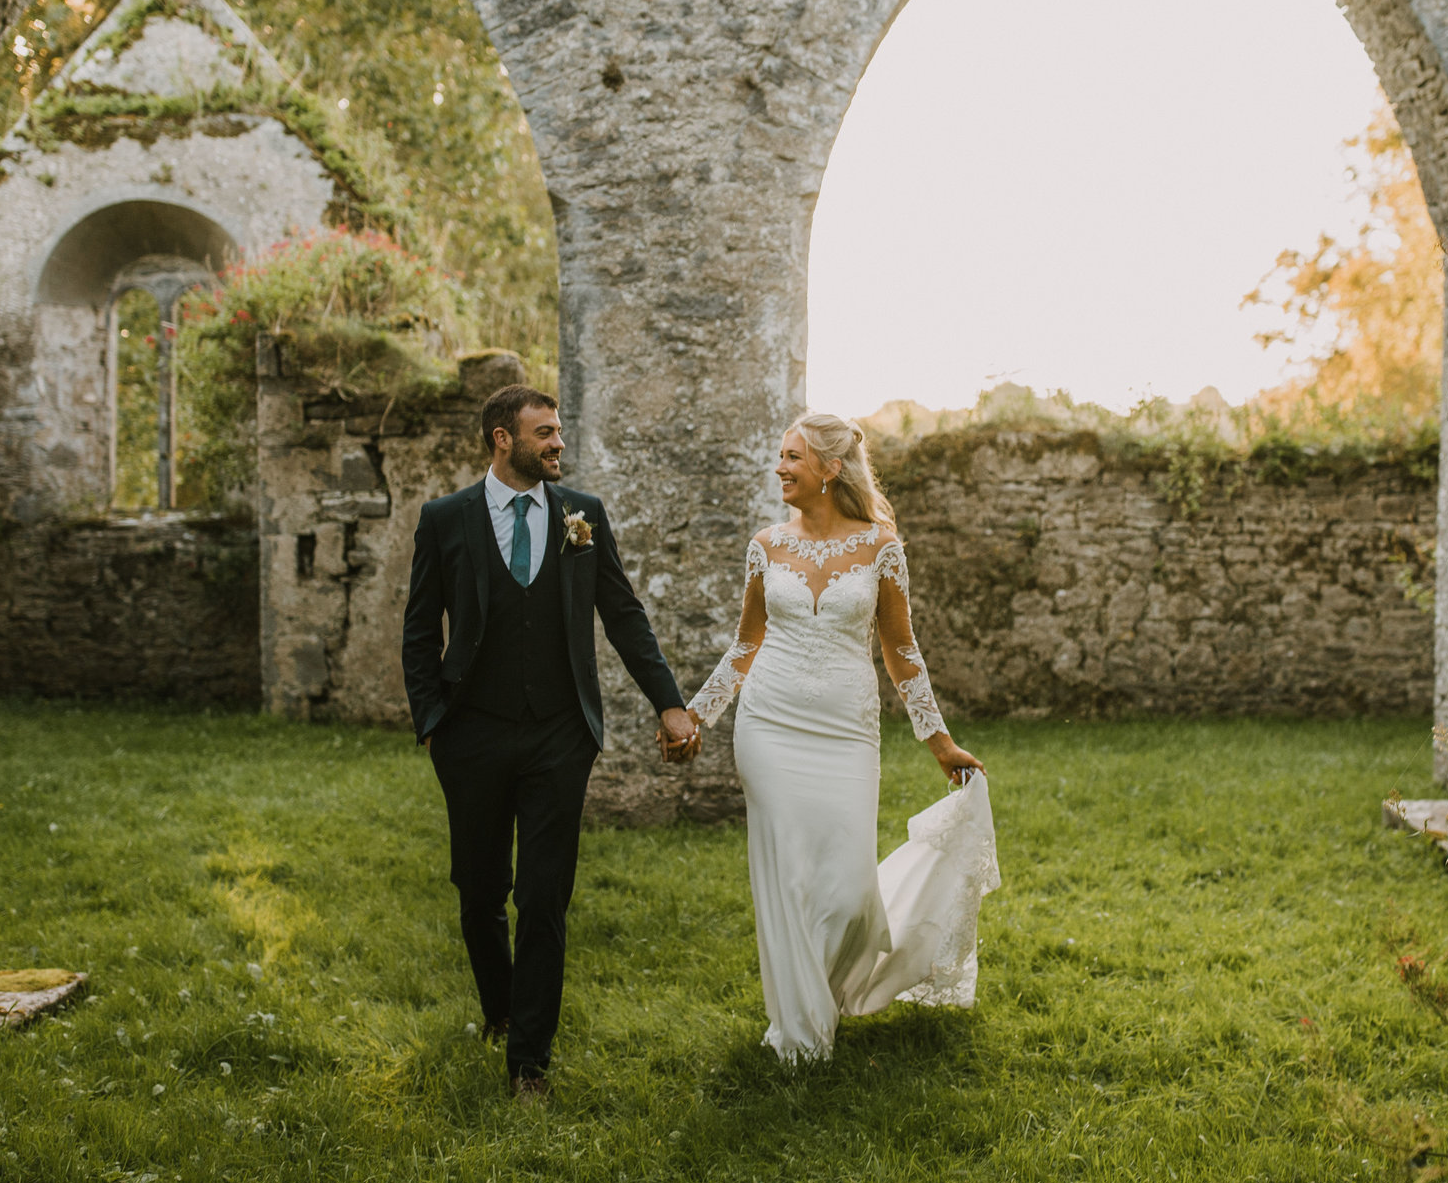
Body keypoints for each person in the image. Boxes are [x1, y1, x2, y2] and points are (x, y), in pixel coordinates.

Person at [400, 384, 704, 1102]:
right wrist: (433, 722)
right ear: (502, 438)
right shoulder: (445, 519)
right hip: (470, 734)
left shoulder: (582, 516)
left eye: (559, 430)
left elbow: (623, 613)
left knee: (544, 897)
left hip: (560, 736)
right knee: (479, 893)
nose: (558, 443)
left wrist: (669, 703)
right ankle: (501, 1008)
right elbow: (420, 630)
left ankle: (529, 1060)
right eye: (545, 432)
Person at [676, 411, 1001, 1064]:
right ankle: (799, 1030)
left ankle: (819, 996)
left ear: (830, 467)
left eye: (793, 456)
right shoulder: (766, 545)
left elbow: (901, 650)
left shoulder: (881, 547)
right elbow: (747, 643)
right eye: (780, 455)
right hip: (769, 726)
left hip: (847, 732)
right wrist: (698, 713)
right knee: (788, 875)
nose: (780, 467)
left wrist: (938, 741)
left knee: (848, 892)